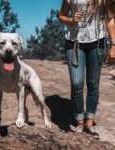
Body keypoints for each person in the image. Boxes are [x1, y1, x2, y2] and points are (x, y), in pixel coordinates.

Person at [58, 0, 115, 139]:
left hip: (97, 43)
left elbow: (110, 19)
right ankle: (79, 122)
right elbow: (61, 16)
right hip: (74, 43)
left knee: (93, 84)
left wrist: (114, 44)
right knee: (77, 83)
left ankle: (89, 123)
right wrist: (71, 20)